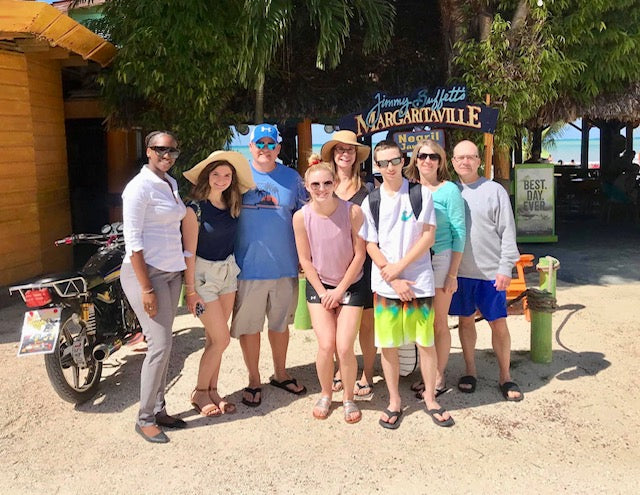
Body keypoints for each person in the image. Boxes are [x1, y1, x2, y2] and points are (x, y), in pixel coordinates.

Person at [360, 139, 454, 429]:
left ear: (403, 161)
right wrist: (392, 274)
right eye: (383, 163)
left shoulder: (419, 193)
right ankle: (394, 401)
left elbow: (427, 236)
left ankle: (430, 398)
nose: (390, 167)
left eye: (395, 161)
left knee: (425, 342)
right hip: (387, 285)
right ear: (376, 166)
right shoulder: (371, 201)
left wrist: (399, 269)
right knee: (388, 345)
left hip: (418, 281)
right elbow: (370, 243)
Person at [231, 124, 307, 407]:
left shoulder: (292, 178)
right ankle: (253, 378)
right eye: (259, 144)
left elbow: (306, 218)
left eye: (270, 144)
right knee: (250, 327)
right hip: (247, 268)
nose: (265, 149)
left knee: (279, 325)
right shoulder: (237, 176)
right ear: (250, 147)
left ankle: (281, 373)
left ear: (278, 147)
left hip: (285, 266)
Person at [121, 130, 187, 444]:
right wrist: (146, 287)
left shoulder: (170, 183)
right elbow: (132, 243)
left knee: (165, 345)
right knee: (158, 345)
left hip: (172, 273)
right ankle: (145, 418)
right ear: (149, 150)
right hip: (146, 275)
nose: (168, 155)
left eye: (173, 151)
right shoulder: (138, 188)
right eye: (162, 149)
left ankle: (159, 409)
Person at [181, 150, 255, 417]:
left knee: (215, 339)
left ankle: (213, 390)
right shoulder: (194, 210)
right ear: (207, 177)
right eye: (216, 174)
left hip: (228, 274)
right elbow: (188, 254)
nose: (221, 179)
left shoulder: (233, 206)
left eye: (227, 175)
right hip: (203, 278)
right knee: (222, 339)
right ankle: (200, 392)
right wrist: (190, 291)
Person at [449, 140, 523, 401]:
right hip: (460, 272)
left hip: (491, 273)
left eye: (471, 157)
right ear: (453, 162)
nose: (465, 162)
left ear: (479, 161)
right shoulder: (450, 191)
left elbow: (508, 232)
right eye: (460, 157)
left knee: (498, 323)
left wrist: (506, 267)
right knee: (465, 321)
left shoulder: (494, 191)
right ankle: (470, 370)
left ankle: (506, 375)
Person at [293, 160, 366, 422]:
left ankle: (348, 397)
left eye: (327, 183)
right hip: (319, 285)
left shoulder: (353, 212)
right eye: (315, 184)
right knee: (326, 345)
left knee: (345, 347)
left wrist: (340, 290)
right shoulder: (301, 217)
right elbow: (305, 259)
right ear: (307, 187)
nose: (322, 188)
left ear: (335, 183)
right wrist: (323, 291)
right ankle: (326, 393)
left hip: (351, 284)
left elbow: (360, 254)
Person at [404, 139, 466, 398]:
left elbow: (459, 233)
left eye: (433, 157)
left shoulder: (449, 190)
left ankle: (439, 377)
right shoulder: (408, 189)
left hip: (440, 259)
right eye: (422, 156)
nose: (427, 161)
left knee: (439, 323)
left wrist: (453, 273)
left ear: (440, 162)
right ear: (415, 160)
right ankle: (427, 372)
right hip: (414, 260)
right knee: (421, 322)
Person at [320, 130, 376, 399]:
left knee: (366, 324)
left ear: (356, 156)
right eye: (340, 149)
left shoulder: (368, 190)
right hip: (331, 265)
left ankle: (367, 373)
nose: (345, 153)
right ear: (333, 154)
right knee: (336, 325)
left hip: (362, 266)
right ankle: (343, 369)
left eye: (350, 150)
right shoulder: (324, 185)